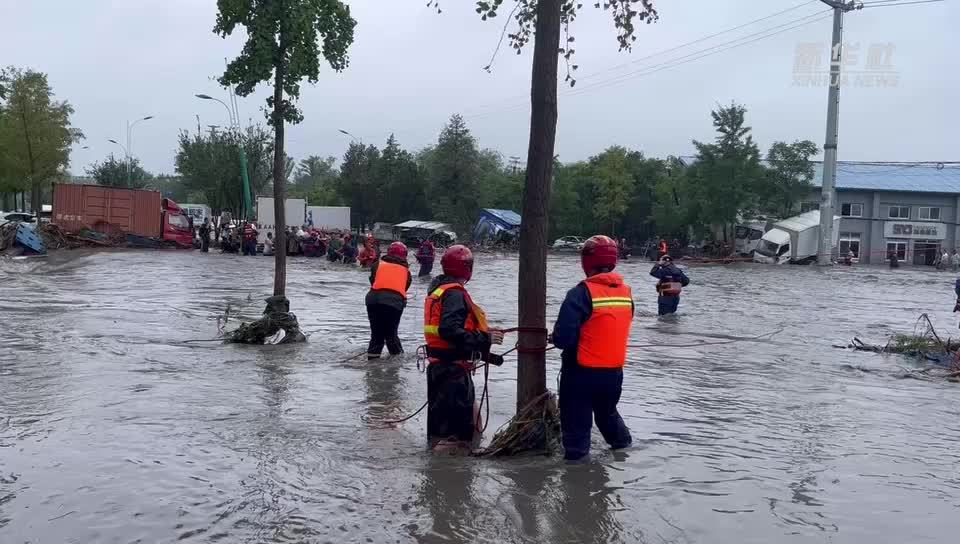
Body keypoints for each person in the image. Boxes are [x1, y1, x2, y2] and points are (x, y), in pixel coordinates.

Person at [551, 235, 633, 461]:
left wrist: (554, 337)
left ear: (586, 261)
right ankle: (624, 452)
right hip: (614, 373)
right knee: (607, 415)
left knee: (576, 425)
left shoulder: (580, 293)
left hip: (581, 373)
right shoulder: (626, 292)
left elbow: (564, 338)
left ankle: (577, 482)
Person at [423, 245, 504, 449]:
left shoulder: (439, 290)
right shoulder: (455, 294)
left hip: (441, 368)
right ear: (468, 268)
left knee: (441, 432)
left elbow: (450, 328)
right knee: (456, 438)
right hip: (452, 371)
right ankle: (456, 476)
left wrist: (484, 333)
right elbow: (449, 330)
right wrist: (485, 338)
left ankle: (438, 474)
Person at [366, 242, 412, 359]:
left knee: (376, 335)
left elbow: (373, 281)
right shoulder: (406, 272)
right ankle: (398, 363)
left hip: (372, 300)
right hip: (394, 303)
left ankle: (372, 363)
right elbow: (404, 288)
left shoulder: (377, 264)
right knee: (391, 335)